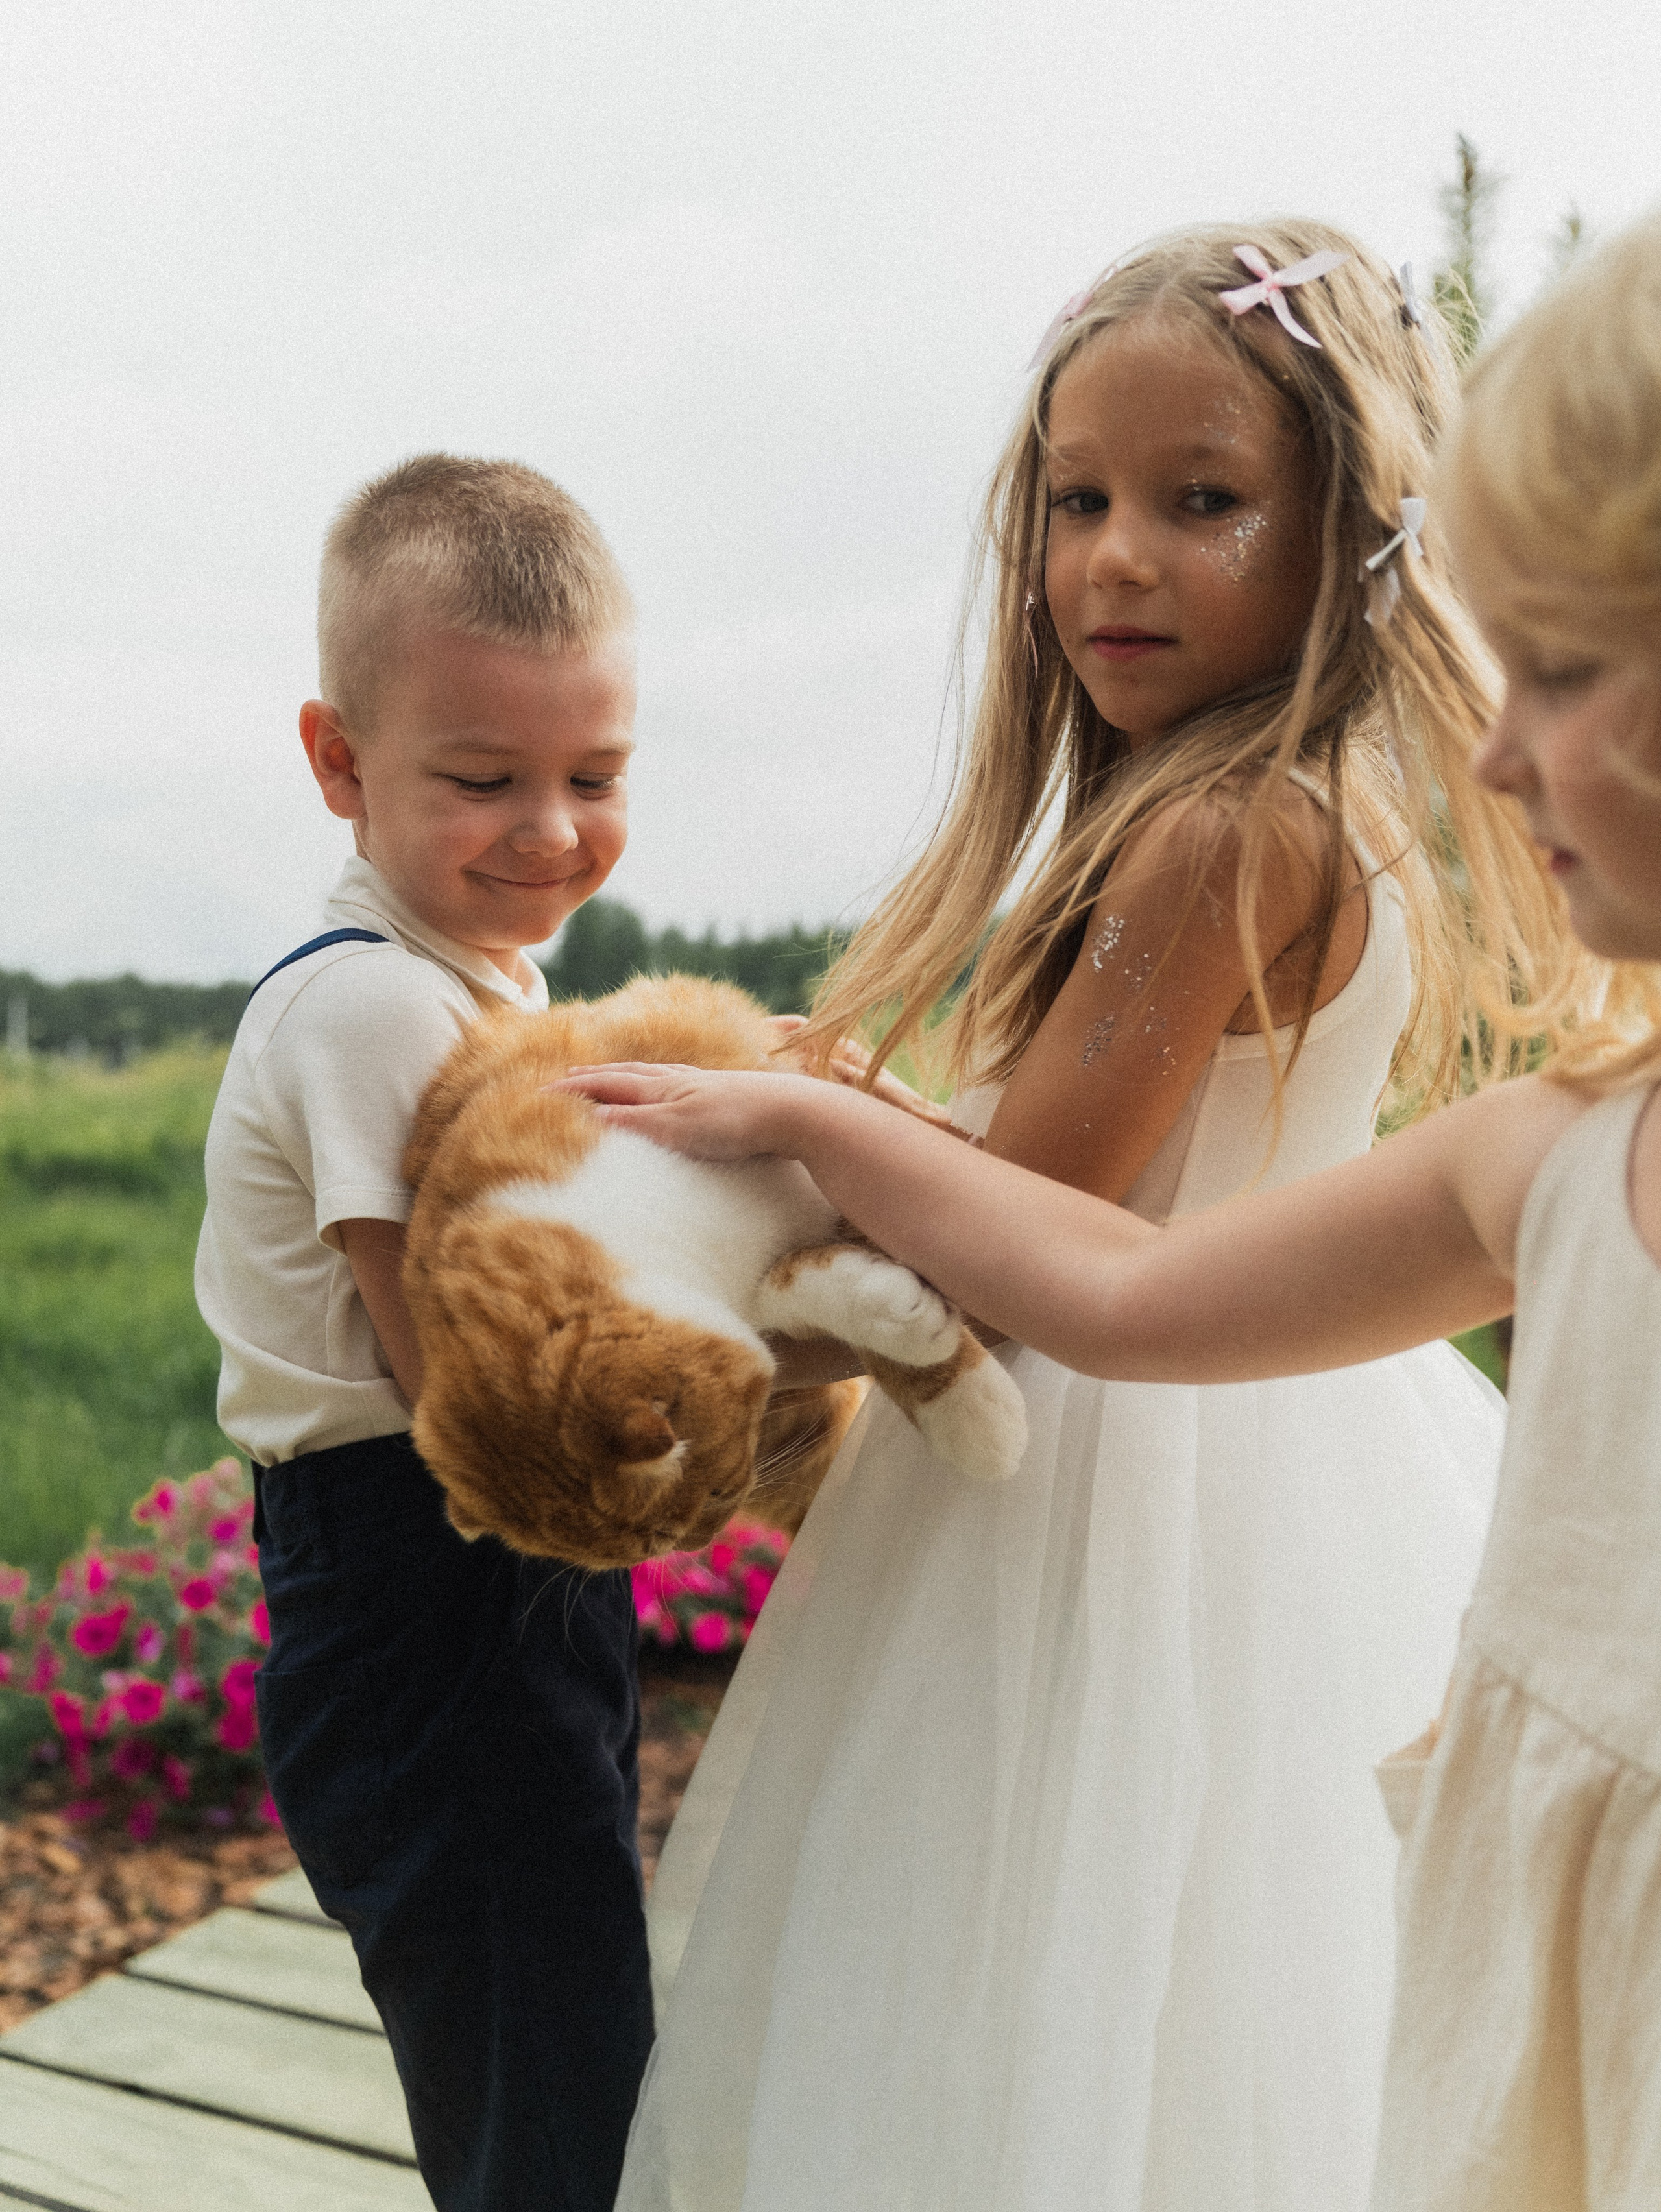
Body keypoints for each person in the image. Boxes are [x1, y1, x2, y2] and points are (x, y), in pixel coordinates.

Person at [570, 213, 1661, 2211]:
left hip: (1128, 1467)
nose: (1117, 555)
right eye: (1077, 499)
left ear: (1347, 530)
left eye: (1203, 499)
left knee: (1052, 1970)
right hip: (1256, 1408)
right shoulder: (1256, 805)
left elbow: (1053, 1208)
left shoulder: (1231, 828)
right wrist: (893, 1109)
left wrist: (809, 1125)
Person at [195, 453, 651, 2212]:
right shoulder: (376, 1005)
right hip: (424, 1577)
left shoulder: (465, 975)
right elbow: (457, 1371)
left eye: (594, 775)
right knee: (551, 2069)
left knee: (550, 2030)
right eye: (483, 779)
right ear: (340, 764)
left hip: (473, 1583)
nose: (549, 829)